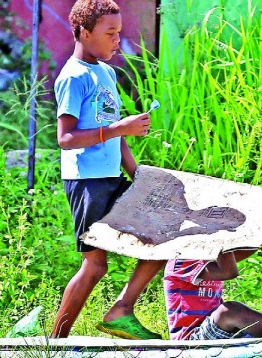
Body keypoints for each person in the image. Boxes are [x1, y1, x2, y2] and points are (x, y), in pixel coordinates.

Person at [51, 0, 164, 339]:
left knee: (160, 240)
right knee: (95, 265)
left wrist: (137, 176)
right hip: (87, 183)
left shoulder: (106, 72)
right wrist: (118, 130)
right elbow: (66, 138)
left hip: (112, 177)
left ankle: (121, 310)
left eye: (119, 32)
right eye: (109, 33)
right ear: (84, 33)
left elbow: (117, 133)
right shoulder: (73, 77)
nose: (117, 39)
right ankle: (55, 343)